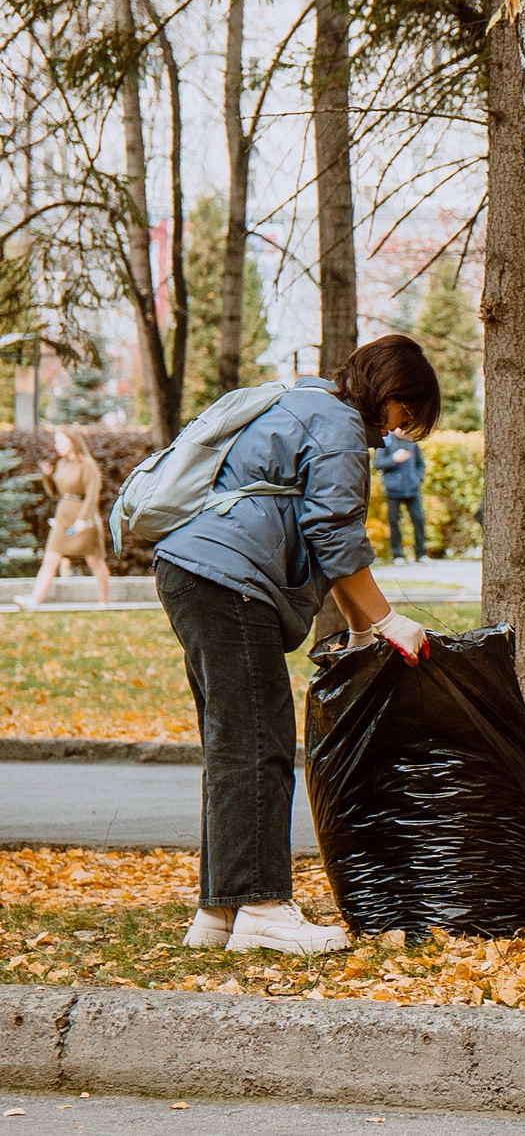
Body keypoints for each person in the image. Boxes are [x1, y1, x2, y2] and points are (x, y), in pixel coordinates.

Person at [155, 334, 439, 956]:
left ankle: (218, 914)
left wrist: (361, 627)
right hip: (228, 581)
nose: (398, 432)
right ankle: (262, 909)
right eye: (405, 416)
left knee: (234, 745)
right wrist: (387, 621)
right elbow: (333, 530)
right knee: (260, 744)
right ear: (390, 394)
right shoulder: (337, 423)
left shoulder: (304, 400)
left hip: (191, 571)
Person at [15, 428, 112, 610]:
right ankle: (34, 601)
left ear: (72, 442)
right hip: (63, 517)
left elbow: (92, 496)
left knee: (95, 561)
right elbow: (55, 493)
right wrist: (47, 476)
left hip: (84, 520)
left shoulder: (87, 466)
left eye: (61, 441)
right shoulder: (61, 464)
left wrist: (83, 520)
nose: (57, 446)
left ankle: (104, 603)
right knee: (50, 559)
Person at [374, 431, 427, 564]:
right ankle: (397, 555)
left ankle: (421, 554)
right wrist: (394, 459)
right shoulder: (386, 442)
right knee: (394, 522)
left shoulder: (412, 442)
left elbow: (420, 463)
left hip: (412, 489)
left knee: (419, 520)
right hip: (393, 490)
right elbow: (378, 463)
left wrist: (417, 477)